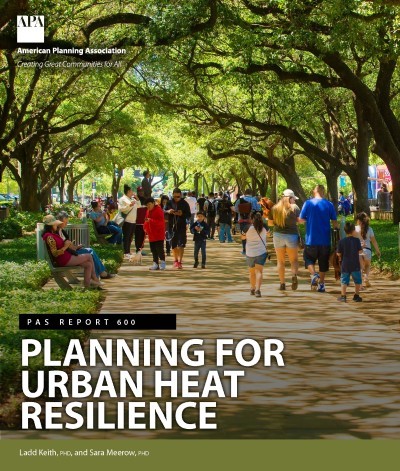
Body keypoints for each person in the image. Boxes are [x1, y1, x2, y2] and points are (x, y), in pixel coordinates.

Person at [42, 214, 100, 289]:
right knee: (88, 255)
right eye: (55, 224)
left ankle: (87, 284)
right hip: (63, 260)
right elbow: (55, 253)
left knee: (88, 264)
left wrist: (69, 245)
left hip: (66, 257)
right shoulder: (49, 237)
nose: (57, 226)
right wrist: (65, 246)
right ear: (51, 226)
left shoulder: (52, 235)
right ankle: (95, 279)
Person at [298, 184, 338, 292]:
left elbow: (301, 220)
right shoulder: (329, 205)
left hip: (311, 239)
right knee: (323, 263)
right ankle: (321, 285)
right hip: (325, 240)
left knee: (308, 259)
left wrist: (309, 219)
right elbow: (335, 222)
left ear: (314, 192)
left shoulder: (308, 203)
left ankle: (314, 274)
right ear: (323, 192)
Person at [56, 211, 114, 280]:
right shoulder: (57, 233)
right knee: (90, 253)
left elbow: (68, 245)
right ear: (59, 221)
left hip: (71, 252)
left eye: (66, 222)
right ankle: (99, 275)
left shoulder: (61, 231)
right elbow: (64, 246)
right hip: (68, 255)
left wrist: (76, 247)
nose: (66, 224)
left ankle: (99, 274)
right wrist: (72, 247)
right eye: (64, 222)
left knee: (90, 250)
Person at [268, 189, 300, 291]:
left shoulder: (275, 208)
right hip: (291, 235)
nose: (294, 201)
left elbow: (270, 223)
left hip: (278, 235)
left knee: (280, 261)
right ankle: (294, 275)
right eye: (294, 199)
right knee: (293, 260)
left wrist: (279, 223)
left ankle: (282, 283)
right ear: (290, 198)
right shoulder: (295, 208)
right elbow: (299, 221)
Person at [336, 222, 363, 302]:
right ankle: (356, 296)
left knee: (344, 281)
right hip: (355, 264)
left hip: (345, 264)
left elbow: (338, 253)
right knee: (357, 280)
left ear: (345, 231)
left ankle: (343, 296)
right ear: (353, 230)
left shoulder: (341, 241)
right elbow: (360, 251)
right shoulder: (357, 240)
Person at [165, 188, 191, 269]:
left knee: (181, 244)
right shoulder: (169, 202)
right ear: (173, 195)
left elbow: (189, 214)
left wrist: (182, 213)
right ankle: (175, 260)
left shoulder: (184, 203)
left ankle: (180, 261)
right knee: (173, 244)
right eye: (175, 196)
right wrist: (168, 211)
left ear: (181, 195)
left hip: (181, 226)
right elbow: (163, 211)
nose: (177, 198)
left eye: (178, 196)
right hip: (171, 226)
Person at [355, 212, 381, 288]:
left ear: (358, 220)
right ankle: (366, 278)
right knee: (367, 265)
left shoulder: (355, 228)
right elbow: (374, 241)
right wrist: (377, 251)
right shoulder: (370, 229)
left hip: (358, 251)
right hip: (368, 251)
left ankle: (359, 284)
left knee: (360, 267)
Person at [245, 212, 268, 298]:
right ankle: (258, 290)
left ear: (251, 219)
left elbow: (242, 237)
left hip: (250, 252)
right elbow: (269, 234)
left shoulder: (247, 228)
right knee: (259, 271)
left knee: (251, 272)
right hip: (261, 252)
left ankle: (252, 288)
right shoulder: (264, 227)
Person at [234, 189, 261, 255]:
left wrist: (242, 212)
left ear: (245, 193)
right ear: (251, 193)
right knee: (252, 235)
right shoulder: (254, 200)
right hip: (252, 220)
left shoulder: (239, 200)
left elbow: (236, 209)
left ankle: (244, 250)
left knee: (244, 234)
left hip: (242, 219)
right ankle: (252, 250)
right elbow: (258, 209)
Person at [119, 184, 140, 260]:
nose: (132, 192)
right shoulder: (122, 199)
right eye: (131, 191)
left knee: (130, 237)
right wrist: (129, 205)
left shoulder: (132, 199)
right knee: (126, 237)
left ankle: (128, 250)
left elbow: (139, 206)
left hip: (133, 220)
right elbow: (121, 209)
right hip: (127, 220)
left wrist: (137, 199)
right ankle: (126, 252)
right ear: (128, 191)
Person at [143, 198, 166, 270]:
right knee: (153, 249)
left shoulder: (159, 210)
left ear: (153, 203)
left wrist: (151, 220)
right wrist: (145, 227)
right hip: (151, 234)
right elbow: (146, 220)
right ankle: (155, 263)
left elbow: (161, 222)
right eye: (147, 205)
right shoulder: (148, 211)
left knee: (160, 249)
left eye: (149, 204)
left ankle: (162, 262)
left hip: (158, 234)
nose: (148, 206)